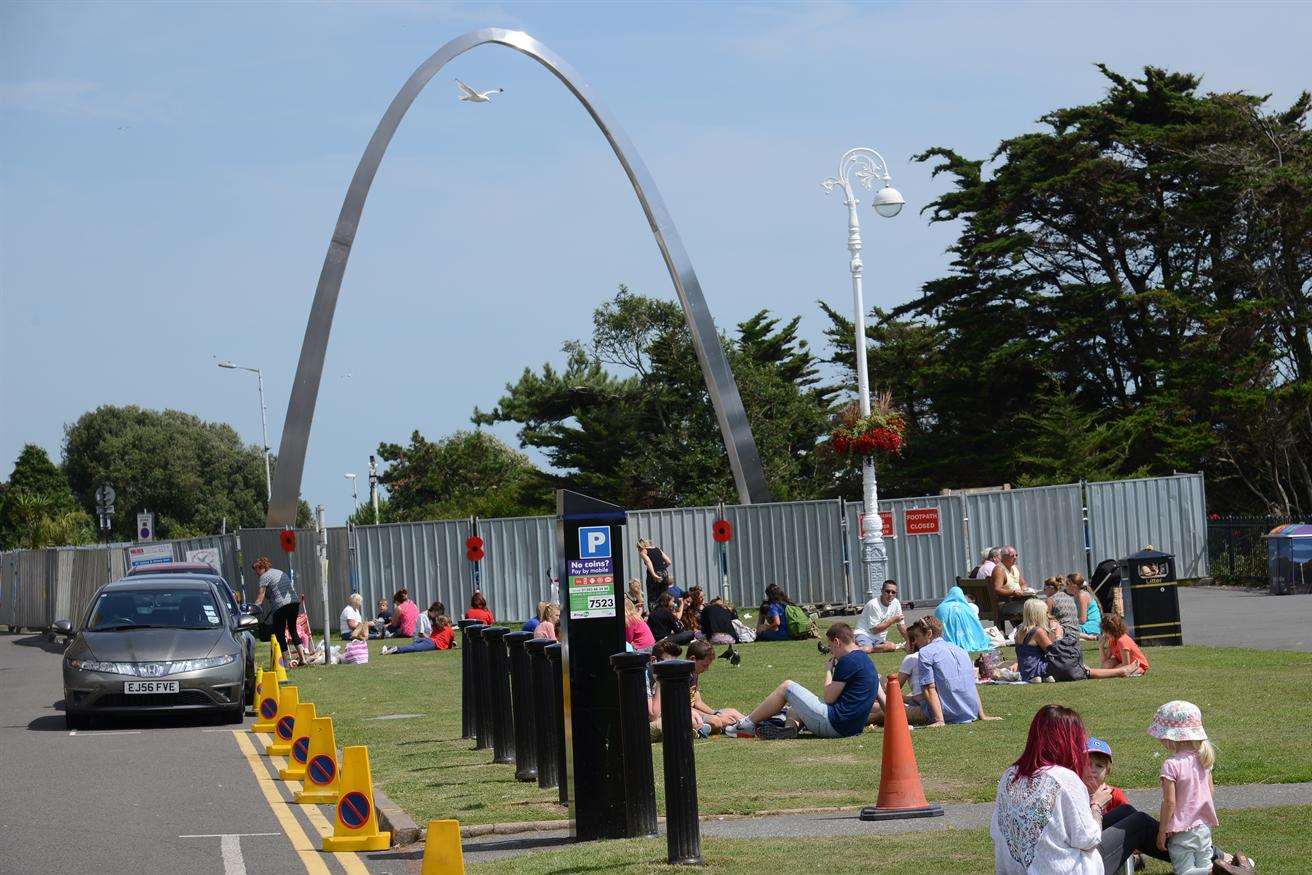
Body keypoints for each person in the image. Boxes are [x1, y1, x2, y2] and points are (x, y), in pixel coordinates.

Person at [1083, 735, 1255, 873]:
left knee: (1126, 811)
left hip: (1082, 852)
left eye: (1098, 766)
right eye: (1087, 764)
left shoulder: (1110, 793)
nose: (1092, 770)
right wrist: (1096, 805)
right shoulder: (1073, 789)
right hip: (1079, 863)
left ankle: (1221, 858)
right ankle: (1215, 867)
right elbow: (1084, 836)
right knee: (1140, 823)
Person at [990, 704, 1105, 874]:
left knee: (1124, 814)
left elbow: (996, 830)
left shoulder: (1010, 775)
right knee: (1137, 824)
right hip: (1063, 868)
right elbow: (1088, 839)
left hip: (1016, 869)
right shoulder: (1064, 778)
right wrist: (1096, 806)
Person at [730, 623, 877, 739]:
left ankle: (746, 725)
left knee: (786, 687)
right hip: (853, 728)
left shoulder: (847, 661)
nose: (831, 652)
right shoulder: (866, 660)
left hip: (835, 725)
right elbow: (881, 695)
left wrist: (828, 670)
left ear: (837, 642)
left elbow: (829, 698)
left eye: (831, 646)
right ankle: (790, 730)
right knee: (795, 708)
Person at [872, 617, 999, 726]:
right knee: (896, 704)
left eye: (917, 636)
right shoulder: (960, 650)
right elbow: (971, 684)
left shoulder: (926, 652)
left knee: (887, 713)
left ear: (929, 634)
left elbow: (929, 688)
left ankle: (857, 721)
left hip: (945, 713)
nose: (915, 641)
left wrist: (939, 720)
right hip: (969, 711)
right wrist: (982, 715)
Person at [1150, 700, 1221, 875]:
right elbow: (1210, 792)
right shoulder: (1204, 759)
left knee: (1184, 871)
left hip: (1182, 830)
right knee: (1204, 863)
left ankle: (1216, 873)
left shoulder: (1171, 765)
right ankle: (1219, 870)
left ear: (1171, 735)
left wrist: (1162, 831)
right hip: (1203, 826)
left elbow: (1170, 803)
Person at [686, 639, 745, 733]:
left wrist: (716, 713)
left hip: (695, 711)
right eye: (704, 665)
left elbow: (698, 703)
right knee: (716, 722)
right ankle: (705, 729)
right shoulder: (681, 677)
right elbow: (683, 708)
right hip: (686, 713)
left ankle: (749, 725)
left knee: (733, 712)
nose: (707, 669)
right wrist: (714, 717)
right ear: (692, 659)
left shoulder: (695, 674)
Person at [252, 557, 303, 663]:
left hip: (280, 606)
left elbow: (260, 599)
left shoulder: (264, 577)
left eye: (255, 570)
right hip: (294, 603)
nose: (255, 573)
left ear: (261, 568)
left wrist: (251, 609)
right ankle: (303, 659)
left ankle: (285, 662)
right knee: (293, 631)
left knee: (279, 634)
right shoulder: (279, 572)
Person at [1013, 598, 1061, 683]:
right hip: (1037, 668)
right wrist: (1058, 634)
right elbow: (1053, 651)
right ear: (1039, 614)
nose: (1048, 615)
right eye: (1046, 612)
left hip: (1025, 671)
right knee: (1067, 663)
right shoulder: (1038, 631)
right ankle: (1043, 675)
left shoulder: (1019, 630)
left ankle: (1041, 676)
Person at [934, 584, 993, 652]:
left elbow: (936, 623)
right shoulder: (968, 608)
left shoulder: (940, 608)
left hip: (946, 640)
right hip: (968, 639)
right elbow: (975, 624)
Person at [852, 579, 907, 653]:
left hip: (879, 639)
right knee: (867, 649)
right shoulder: (873, 605)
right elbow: (874, 630)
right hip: (865, 633)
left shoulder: (896, 603)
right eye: (887, 591)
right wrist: (892, 620)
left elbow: (901, 626)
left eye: (893, 592)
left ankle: (869, 647)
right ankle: (848, 646)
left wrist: (910, 641)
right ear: (882, 591)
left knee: (892, 646)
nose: (890, 594)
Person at [988, 546, 1032, 632]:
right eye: (1012, 555)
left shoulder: (1015, 568)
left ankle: (1027, 631)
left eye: (1016, 555)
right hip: (1005, 604)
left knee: (1034, 603)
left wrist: (1023, 590)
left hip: (1017, 600)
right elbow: (997, 589)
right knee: (1032, 606)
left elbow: (1023, 584)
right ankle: (1027, 632)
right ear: (1004, 556)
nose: (1015, 557)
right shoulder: (999, 570)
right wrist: (1013, 592)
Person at [637, 537, 675, 607]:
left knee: (653, 598)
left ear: (640, 546)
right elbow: (669, 561)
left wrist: (654, 574)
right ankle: (666, 611)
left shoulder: (643, 551)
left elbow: (648, 562)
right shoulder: (657, 549)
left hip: (655, 575)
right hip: (664, 573)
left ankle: (654, 615)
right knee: (665, 596)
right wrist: (662, 568)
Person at [1067, 572, 1102, 640]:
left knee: (1065, 629)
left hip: (1091, 627)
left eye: (1068, 584)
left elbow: (1083, 620)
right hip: (1087, 625)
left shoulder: (1082, 595)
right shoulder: (1077, 595)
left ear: (1074, 585)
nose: (1066, 586)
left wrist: (1068, 622)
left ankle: (1090, 637)